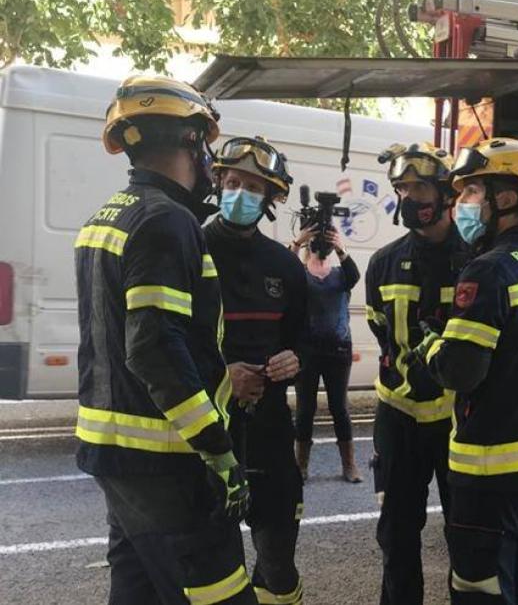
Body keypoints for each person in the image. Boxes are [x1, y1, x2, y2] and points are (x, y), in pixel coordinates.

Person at [75, 75, 258, 604]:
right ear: (190, 140)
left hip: (117, 457)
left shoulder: (106, 217)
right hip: (167, 460)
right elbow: (154, 348)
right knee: (220, 594)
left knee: (138, 591)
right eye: (207, 144)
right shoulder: (167, 221)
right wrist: (217, 449)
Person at [415, 138, 518, 605]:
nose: (459, 204)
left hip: (489, 473)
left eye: (470, 193)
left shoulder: (487, 271)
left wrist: (430, 346)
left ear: (504, 198)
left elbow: (461, 371)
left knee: (480, 589)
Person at [204, 136, 309, 605]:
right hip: (206, 431)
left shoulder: (284, 265)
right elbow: (165, 348)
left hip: (268, 431)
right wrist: (224, 376)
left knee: (278, 562)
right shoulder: (191, 247)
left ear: (270, 199)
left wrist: (295, 359)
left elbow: (302, 339)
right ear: (218, 182)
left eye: (253, 187)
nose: (240, 194)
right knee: (211, 567)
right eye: (232, 182)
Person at [365, 142, 470, 605]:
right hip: (399, 418)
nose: (409, 197)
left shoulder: (477, 261)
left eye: (420, 186)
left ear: (447, 192)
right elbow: (381, 330)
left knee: (466, 535)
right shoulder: (383, 262)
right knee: (397, 535)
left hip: (459, 421)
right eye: (402, 187)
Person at [291, 224, 361, 483]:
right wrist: (298, 243)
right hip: (306, 351)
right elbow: (286, 271)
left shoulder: (340, 274)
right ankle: (301, 466)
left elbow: (354, 276)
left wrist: (342, 249)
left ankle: (350, 465)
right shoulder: (300, 274)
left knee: (339, 408)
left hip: (338, 350)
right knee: (305, 410)